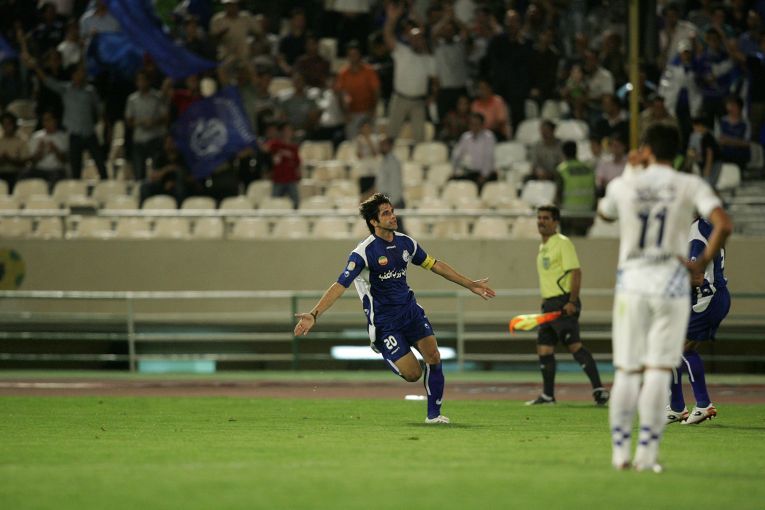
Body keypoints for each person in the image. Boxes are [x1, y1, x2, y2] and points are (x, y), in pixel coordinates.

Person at [598, 123, 732, 472]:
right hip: (671, 287)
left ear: (645, 150)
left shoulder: (625, 183)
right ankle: (648, 454)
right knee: (659, 370)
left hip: (632, 284)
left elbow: (605, 213)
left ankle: (620, 453)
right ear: (677, 152)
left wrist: (631, 170)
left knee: (628, 371)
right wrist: (701, 262)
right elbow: (724, 224)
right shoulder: (690, 184)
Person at [293, 193, 496, 424]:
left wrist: (470, 284)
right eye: (386, 213)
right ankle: (382, 346)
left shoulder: (406, 243)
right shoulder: (363, 253)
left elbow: (435, 265)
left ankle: (434, 415)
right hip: (385, 323)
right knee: (413, 374)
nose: (392, 216)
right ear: (374, 221)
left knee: (434, 355)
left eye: (392, 211)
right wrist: (314, 314)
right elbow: (340, 285)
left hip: (411, 312)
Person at [526, 205, 609, 406]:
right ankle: (548, 396)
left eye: (546, 218)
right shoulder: (543, 247)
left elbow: (576, 272)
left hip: (563, 302)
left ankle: (599, 390)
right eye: (539, 218)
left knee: (574, 346)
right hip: (549, 305)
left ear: (555, 222)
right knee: (544, 348)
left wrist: (572, 301)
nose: (541, 221)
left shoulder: (563, 243)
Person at [667, 217, 730, 425]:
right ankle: (681, 407)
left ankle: (693, 405)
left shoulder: (696, 233)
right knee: (680, 349)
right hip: (713, 297)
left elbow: (696, 278)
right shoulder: (704, 227)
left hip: (706, 300)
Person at [556, 141, 596, 236]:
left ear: (563, 153)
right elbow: (595, 194)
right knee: (582, 242)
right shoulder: (588, 169)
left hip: (568, 215)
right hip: (586, 214)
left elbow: (558, 195)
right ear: (576, 151)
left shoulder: (562, 169)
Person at [450, 111, 496, 191]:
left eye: (477, 124)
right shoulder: (466, 137)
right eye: (472, 124)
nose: (474, 127)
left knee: (478, 186)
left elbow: (488, 158)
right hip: (472, 172)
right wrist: (454, 171)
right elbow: (457, 155)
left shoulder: (489, 137)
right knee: (452, 182)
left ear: (482, 125)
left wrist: (484, 175)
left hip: (488, 173)